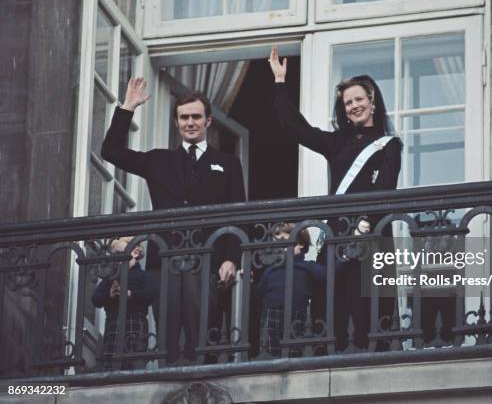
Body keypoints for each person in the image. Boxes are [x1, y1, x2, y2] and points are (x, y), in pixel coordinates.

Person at [101, 78, 246, 364]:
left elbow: (237, 214)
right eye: (183, 117)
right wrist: (127, 107)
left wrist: (231, 258)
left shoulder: (227, 163)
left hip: (207, 259)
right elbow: (111, 152)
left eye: (195, 116)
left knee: (202, 335)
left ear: (208, 121)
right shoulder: (159, 160)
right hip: (164, 260)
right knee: (167, 337)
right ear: (176, 123)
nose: (189, 122)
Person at [268, 47, 402, 351]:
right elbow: (295, 128)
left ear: (372, 101)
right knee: (335, 313)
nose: (353, 106)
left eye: (358, 99)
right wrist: (279, 82)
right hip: (338, 237)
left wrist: (366, 222)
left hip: (373, 236)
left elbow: (385, 189)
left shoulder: (390, 145)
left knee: (373, 316)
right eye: (347, 102)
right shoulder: (337, 141)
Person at [256, 223, 344, 357]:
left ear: (300, 244)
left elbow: (328, 273)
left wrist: (345, 257)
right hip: (271, 313)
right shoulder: (271, 269)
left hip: (296, 314)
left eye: (284, 242)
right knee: (269, 351)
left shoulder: (307, 266)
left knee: (294, 351)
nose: (280, 246)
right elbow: (259, 291)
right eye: (277, 242)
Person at [92, 237, 157, 370]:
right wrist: (110, 295)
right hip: (114, 322)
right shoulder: (111, 278)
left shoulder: (143, 276)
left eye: (122, 254)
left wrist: (130, 294)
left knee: (134, 360)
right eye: (116, 255)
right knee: (112, 362)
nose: (118, 259)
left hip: (135, 320)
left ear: (135, 253)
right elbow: (96, 299)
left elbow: (151, 294)